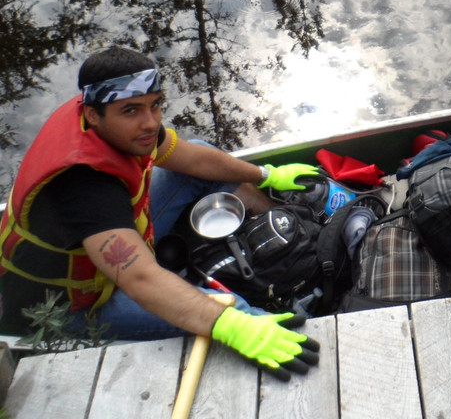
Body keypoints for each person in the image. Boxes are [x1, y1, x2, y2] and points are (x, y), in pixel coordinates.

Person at [0, 46, 320, 378]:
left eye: (156, 105)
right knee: (230, 309)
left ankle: (294, 228)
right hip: (73, 306)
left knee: (204, 156)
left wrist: (267, 175)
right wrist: (231, 325)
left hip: (111, 249)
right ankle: (309, 341)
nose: (150, 122)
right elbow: (139, 278)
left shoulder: (111, 120)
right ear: (94, 115)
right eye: (132, 111)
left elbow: (194, 159)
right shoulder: (84, 186)